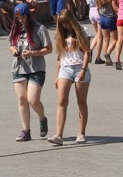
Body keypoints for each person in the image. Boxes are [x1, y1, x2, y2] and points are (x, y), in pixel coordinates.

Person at [9, 3, 52, 142]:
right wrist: (14, 50)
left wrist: (33, 53)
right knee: (21, 98)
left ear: (28, 15)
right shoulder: (15, 28)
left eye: (22, 17)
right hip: (19, 67)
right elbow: (11, 44)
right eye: (18, 17)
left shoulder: (40, 28)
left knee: (32, 100)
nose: (20, 20)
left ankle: (42, 118)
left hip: (36, 67)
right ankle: (26, 131)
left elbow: (49, 49)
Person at [47, 9, 91, 145]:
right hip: (65, 68)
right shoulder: (60, 34)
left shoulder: (83, 31)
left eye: (67, 23)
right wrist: (56, 76)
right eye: (63, 24)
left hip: (79, 67)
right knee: (61, 100)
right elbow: (59, 57)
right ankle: (59, 135)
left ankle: (82, 133)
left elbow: (87, 53)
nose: (66, 26)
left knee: (81, 101)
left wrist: (83, 69)